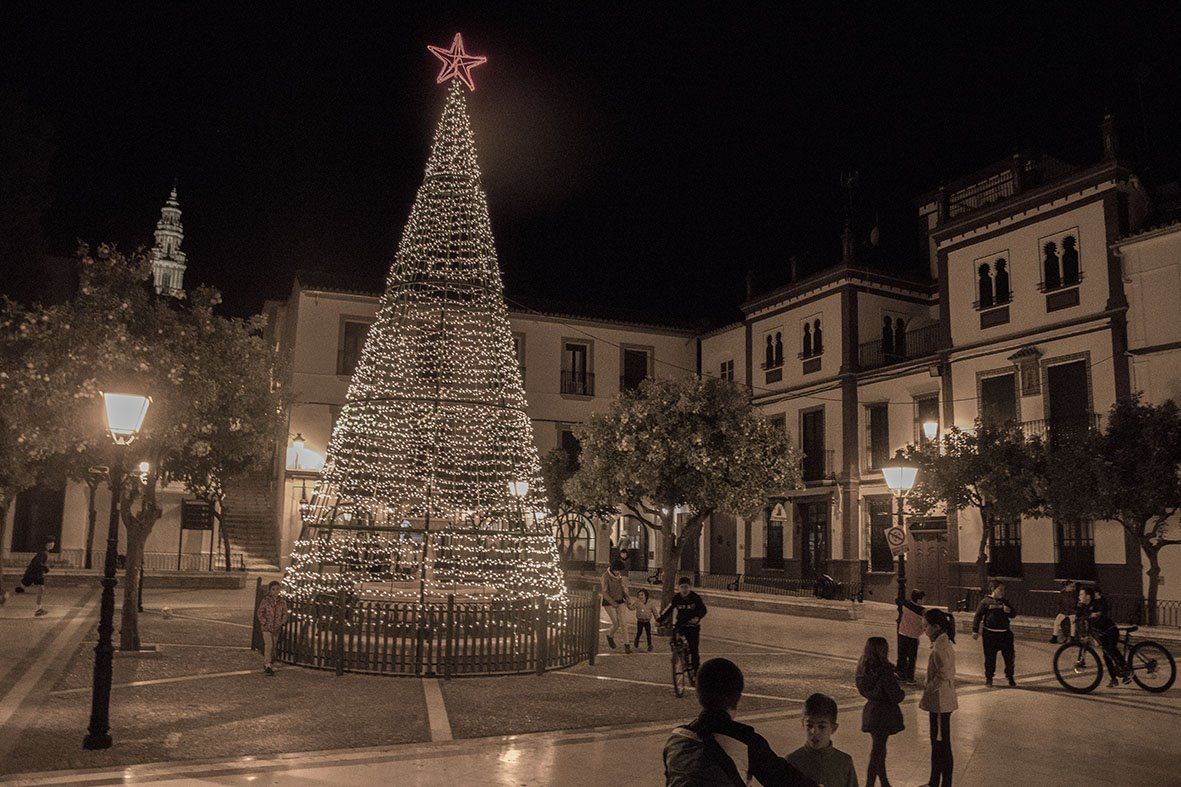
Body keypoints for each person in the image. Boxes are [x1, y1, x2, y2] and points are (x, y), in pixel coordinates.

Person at [664, 658, 816, 786]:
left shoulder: (676, 740)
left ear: (698, 694)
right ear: (738, 696)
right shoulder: (745, 741)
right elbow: (787, 780)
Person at [856, 637, 904, 787]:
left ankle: (884, 782)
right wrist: (902, 693)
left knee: (879, 749)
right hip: (884, 714)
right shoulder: (885, 671)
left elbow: (863, 689)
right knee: (877, 752)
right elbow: (895, 695)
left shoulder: (863, 669)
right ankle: (870, 784)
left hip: (871, 711)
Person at [785, 693, 858, 787]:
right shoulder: (792, 762)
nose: (814, 732)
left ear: (833, 728)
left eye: (821, 726)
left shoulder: (844, 762)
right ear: (803, 724)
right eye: (809, 725)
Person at [920, 608, 957, 787]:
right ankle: (934, 781)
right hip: (939, 701)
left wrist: (928, 688)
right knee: (938, 743)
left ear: (936, 627)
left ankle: (944, 783)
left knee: (942, 744)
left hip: (941, 702)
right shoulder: (941, 642)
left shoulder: (941, 646)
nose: (924, 630)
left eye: (926, 626)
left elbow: (943, 674)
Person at [1077, 585, 1126, 687]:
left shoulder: (1096, 603)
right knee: (1106, 656)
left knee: (1111, 649)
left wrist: (1096, 614)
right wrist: (1079, 608)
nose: (1079, 596)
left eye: (1081, 594)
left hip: (1110, 631)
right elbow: (1079, 616)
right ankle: (1114, 679)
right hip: (1102, 634)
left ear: (1088, 596)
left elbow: (1101, 611)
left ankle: (1127, 670)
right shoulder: (1085, 606)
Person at [658, 576, 708, 674]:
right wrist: (660, 620)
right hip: (681, 624)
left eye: (686, 587)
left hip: (693, 626)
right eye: (682, 587)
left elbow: (703, 609)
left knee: (694, 650)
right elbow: (668, 609)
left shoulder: (695, 597)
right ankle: (677, 653)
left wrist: (697, 617)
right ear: (678, 588)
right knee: (675, 637)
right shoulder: (676, 598)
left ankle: (696, 671)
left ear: (690, 587)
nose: (684, 589)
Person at [971, 580, 1017, 687]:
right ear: (993, 589)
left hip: (1005, 635)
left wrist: (1009, 611)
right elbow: (978, 616)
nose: (1002, 592)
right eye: (1000, 589)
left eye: (1003, 590)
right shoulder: (985, 602)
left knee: (1009, 658)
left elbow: (1014, 614)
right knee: (990, 658)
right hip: (990, 635)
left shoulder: (1005, 602)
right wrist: (975, 630)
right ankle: (989, 678)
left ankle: (1010, 677)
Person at [13, 537, 54, 617]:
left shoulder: (44, 552)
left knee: (41, 589)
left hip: (37, 574)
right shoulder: (43, 553)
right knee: (21, 589)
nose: (53, 544)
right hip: (32, 574)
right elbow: (37, 564)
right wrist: (46, 568)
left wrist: (45, 568)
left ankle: (39, 609)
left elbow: (38, 563)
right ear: (48, 544)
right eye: (52, 543)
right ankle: (5, 596)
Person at [255, 580, 290, 676]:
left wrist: (281, 622)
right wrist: (264, 622)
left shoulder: (282, 601)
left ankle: (271, 662)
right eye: (273, 589)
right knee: (269, 645)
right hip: (266, 627)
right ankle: (267, 664)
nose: (275, 591)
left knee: (274, 646)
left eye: (277, 589)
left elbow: (285, 613)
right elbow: (260, 612)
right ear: (270, 590)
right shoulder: (265, 601)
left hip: (276, 627)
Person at [600, 558, 632, 653]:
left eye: (619, 570)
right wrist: (613, 603)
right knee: (616, 623)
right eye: (617, 570)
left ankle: (627, 645)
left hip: (620, 601)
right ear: (613, 569)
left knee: (623, 623)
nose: (618, 572)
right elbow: (604, 592)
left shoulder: (619, 576)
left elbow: (622, 588)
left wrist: (627, 598)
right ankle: (610, 635)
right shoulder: (605, 576)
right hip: (609, 603)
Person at [895, 589, 925, 683]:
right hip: (913, 636)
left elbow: (898, 600)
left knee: (902, 655)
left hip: (902, 633)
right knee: (912, 658)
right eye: (923, 599)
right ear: (919, 600)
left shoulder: (905, 605)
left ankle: (900, 673)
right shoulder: (922, 611)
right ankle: (910, 677)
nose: (924, 601)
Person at [632, 587, 659, 652]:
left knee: (648, 633)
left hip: (647, 621)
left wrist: (657, 619)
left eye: (642, 595)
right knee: (639, 632)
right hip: (640, 621)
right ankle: (636, 640)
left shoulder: (650, 603)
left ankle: (649, 645)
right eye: (639, 595)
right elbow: (632, 607)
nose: (640, 596)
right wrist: (628, 604)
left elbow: (655, 612)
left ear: (646, 596)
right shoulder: (637, 603)